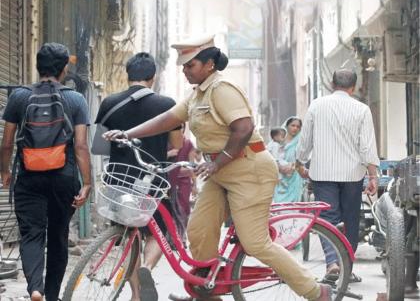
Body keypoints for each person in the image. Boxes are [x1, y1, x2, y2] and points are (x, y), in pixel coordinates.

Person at [104, 34, 332, 301]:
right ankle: (206, 289)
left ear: (209, 64)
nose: (185, 70)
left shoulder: (222, 89)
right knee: (199, 231)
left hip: (250, 170)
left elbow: (244, 128)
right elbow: (168, 119)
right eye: (184, 66)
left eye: (190, 65)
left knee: (255, 242)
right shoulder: (199, 94)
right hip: (221, 172)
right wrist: (128, 134)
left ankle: (315, 291)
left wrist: (217, 162)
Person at [0, 43, 91, 301]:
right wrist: (87, 183)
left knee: (31, 234)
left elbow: (7, 142)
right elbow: (81, 145)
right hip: (64, 177)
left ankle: (35, 289)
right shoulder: (76, 99)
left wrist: (5, 172)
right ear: (64, 69)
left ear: (38, 66)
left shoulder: (19, 96)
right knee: (59, 236)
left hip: (29, 176)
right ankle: (51, 295)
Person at [94, 52, 182, 301]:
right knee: (157, 233)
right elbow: (176, 144)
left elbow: (99, 147)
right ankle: (147, 267)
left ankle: (135, 295)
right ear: (152, 77)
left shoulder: (109, 102)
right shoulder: (167, 104)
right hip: (152, 180)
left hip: (119, 179)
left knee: (128, 234)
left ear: (128, 74)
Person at [296, 69, 380, 282]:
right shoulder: (361, 109)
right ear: (353, 87)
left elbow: (305, 141)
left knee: (328, 218)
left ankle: (333, 263)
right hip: (352, 174)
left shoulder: (316, 105)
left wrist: (300, 162)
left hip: (322, 173)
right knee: (350, 219)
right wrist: (373, 176)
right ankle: (347, 268)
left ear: (332, 84)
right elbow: (368, 147)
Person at [167, 123, 197, 244]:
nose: (179, 130)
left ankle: (181, 238)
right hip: (168, 180)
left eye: (181, 127)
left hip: (184, 181)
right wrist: (168, 154)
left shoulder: (188, 144)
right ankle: (171, 238)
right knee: (170, 209)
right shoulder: (166, 143)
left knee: (183, 209)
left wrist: (194, 184)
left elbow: (192, 165)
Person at [273, 116, 305, 203]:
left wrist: (292, 166)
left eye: (298, 127)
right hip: (279, 178)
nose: (295, 128)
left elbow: (302, 161)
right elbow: (271, 157)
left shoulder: (300, 143)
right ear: (287, 126)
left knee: (293, 207)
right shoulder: (277, 141)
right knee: (279, 206)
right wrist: (280, 167)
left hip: (294, 178)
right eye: (293, 125)